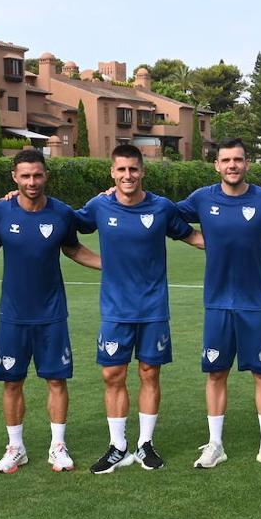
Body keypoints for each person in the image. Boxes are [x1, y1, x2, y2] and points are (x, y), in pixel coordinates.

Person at [176, 138, 261, 469]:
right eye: (226, 160)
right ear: (217, 165)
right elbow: (163, 214)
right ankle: (215, 445)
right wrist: (196, 238)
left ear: (247, 163)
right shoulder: (202, 198)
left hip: (256, 303)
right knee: (215, 373)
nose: (232, 165)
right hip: (218, 303)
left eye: (238, 159)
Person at [0, 149, 101, 474]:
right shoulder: (0, 211)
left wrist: (112, 265)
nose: (32, 182)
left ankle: (58, 447)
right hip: (12, 315)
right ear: (14, 177)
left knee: (56, 380)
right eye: (25, 176)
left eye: (37, 175)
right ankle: (16, 448)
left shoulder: (62, 213)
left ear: (46, 176)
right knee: (12, 382)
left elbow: (73, 248)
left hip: (52, 313)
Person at [74, 144, 205, 474]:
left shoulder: (161, 208)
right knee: (112, 375)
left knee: (150, 373)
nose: (127, 175)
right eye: (121, 170)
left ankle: (145, 444)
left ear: (142, 171)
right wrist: (102, 263)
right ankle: (117, 446)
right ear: (112, 173)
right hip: (116, 309)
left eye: (133, 169)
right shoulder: (98, 206)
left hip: (152, 308)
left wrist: (236, 240)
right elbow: (66, 234)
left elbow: (192, 236)